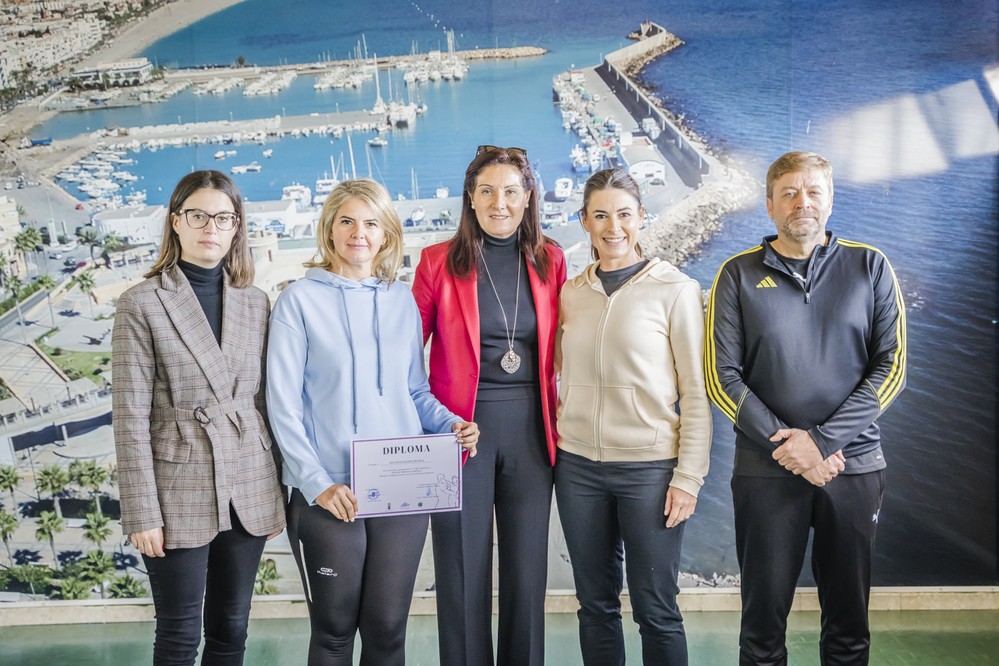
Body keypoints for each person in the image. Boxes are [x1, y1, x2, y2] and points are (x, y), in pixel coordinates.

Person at [705, 151, 907, 665]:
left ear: (830, 200)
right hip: (766, 472)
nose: (803, 202)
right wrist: (793, 448)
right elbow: (721, 378)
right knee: (762, 629)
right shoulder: (737, 275)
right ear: (770, 205)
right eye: (789, 193)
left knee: (848, 627)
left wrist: (819, 443)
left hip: (853, 467)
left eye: (814, 191)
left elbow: (892, 369)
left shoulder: (871, 266)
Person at [265, 179, 479, 665]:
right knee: (335, 632)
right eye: (346, 221)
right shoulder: (297, 301)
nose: (358, 233)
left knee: (386, 632)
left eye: (370, 223)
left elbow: (414, 392)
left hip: (400, 488)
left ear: (386, 236)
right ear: (329, 229)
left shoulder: (400, 300)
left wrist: (450, 425)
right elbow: (283, 406)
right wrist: (317, 484)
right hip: (330, 493)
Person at [112, 170, 285, 665]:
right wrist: (142, 512)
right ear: (176, 222)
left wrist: (270, 489)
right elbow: (129, 418)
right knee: (179, 634)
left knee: (232, 629)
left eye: (224, 218)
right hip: (177, 489)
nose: (211, 227)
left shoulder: (255, 303)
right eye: (199, 215)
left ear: (237, 228)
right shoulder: (140, 304)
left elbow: (261, 403)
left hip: (247, 484)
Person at [411, 145, 566, 666]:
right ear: (470, 199)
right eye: (486, 191)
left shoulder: (552, 258)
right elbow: (408, 359)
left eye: (510, 191)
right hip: (459, 437)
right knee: (460, 574)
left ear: (527, 199)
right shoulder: (437, 261)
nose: (499, 202)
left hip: (531, 434)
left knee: (526, 576)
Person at [555, 168, 712, 665]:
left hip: (650, 470)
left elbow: (697, 392)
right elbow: (557, 373)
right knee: (594, 607)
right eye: (600, 215)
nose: (613, 226)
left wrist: (688, 477)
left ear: (642, 218)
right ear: (584, 222)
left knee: (656, 610)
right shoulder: (571, 293)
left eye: (624, 214)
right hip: (577, 468)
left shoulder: (676, 290)